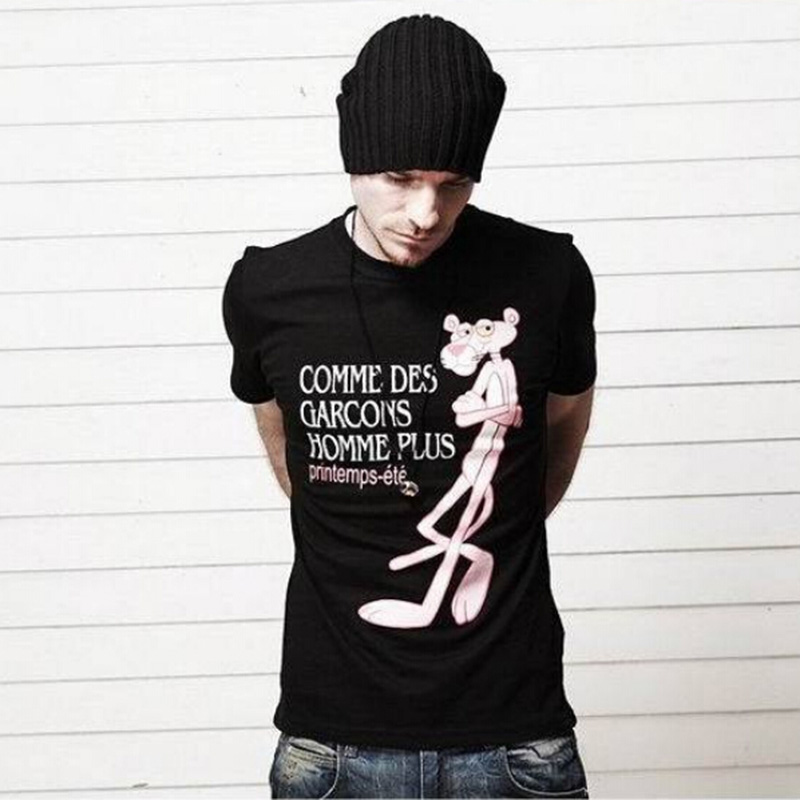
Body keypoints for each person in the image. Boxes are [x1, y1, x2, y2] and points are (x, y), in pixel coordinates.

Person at [222, 13, 596, 799]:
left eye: (453, 183)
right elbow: (288, 450)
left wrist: (495, 509)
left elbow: (560, 428)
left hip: (516, 742)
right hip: (332, 745)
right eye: (399, 177)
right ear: (353, 155)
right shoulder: (269, 288)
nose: (426, 212)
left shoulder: (549, 273)